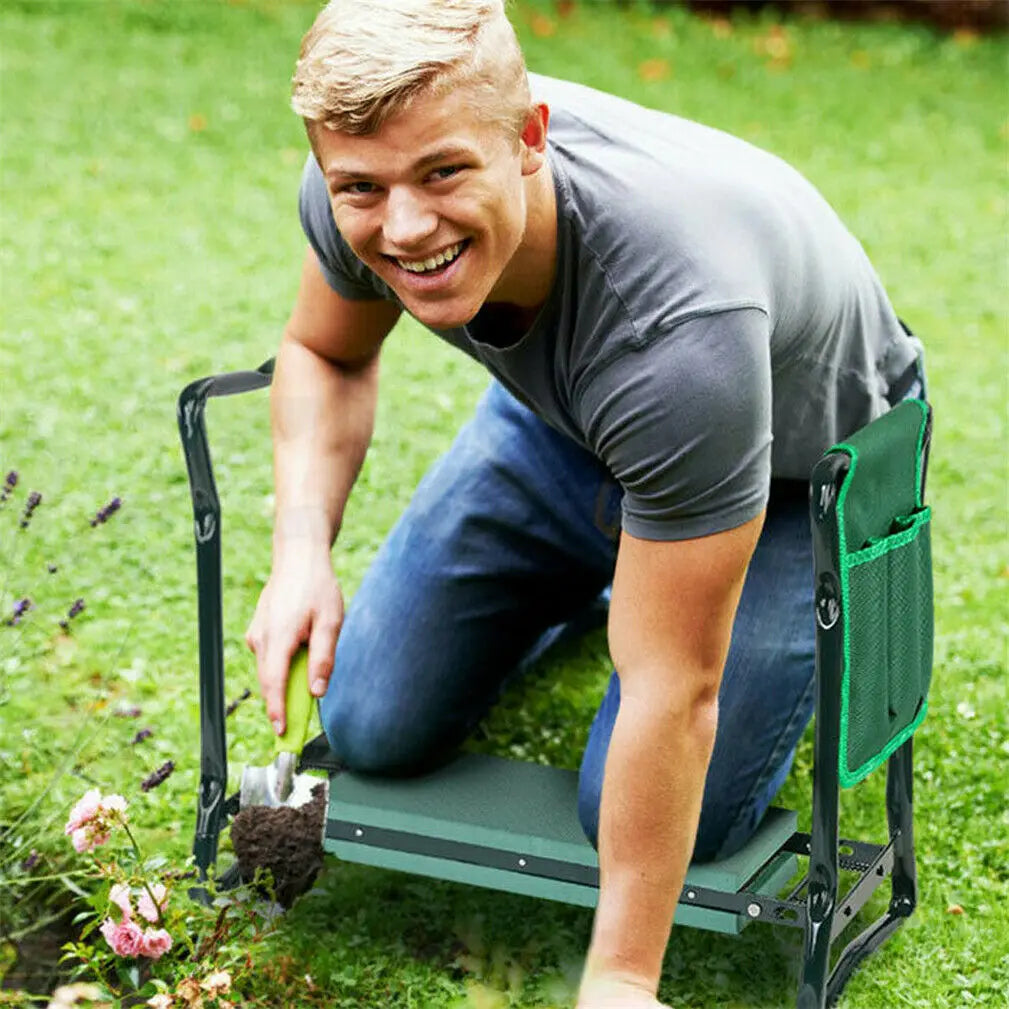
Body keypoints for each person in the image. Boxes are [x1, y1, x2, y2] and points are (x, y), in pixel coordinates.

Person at [244, 2, 924, 1006]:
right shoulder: (357, 172)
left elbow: (672, 690)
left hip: (789, 476)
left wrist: (616, 977)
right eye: (363, 188)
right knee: (369, 721)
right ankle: (602, 574)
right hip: (564, 431)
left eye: (442, 173)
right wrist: (301, 547)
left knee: (634, 807)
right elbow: (323, 351)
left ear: (529, 137)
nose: (403, 227)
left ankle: (644, 576)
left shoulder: (681, 323)